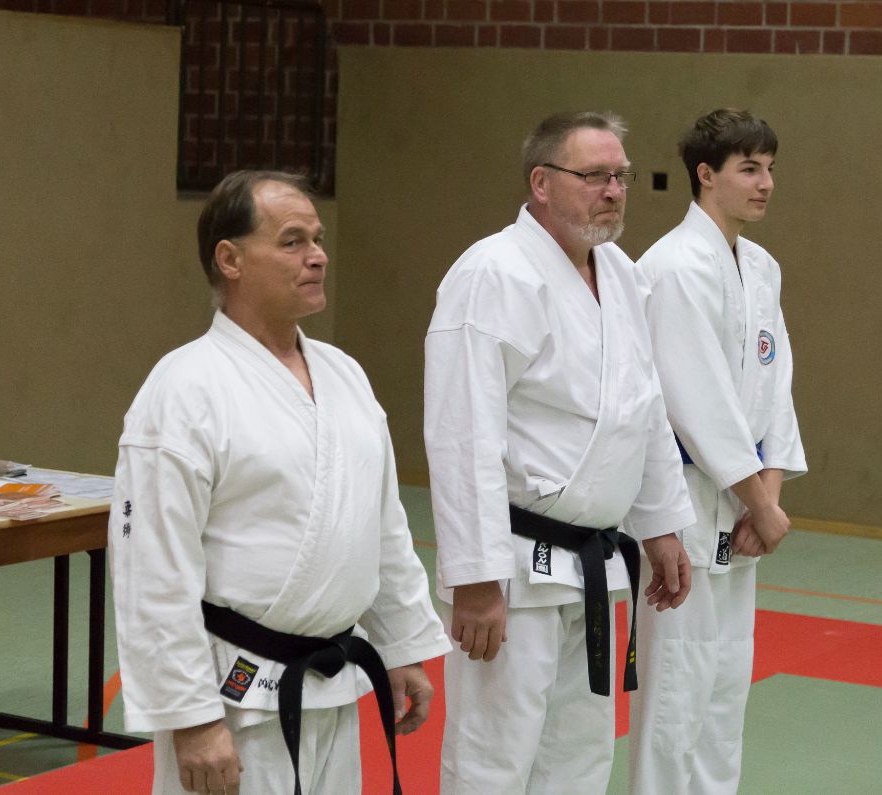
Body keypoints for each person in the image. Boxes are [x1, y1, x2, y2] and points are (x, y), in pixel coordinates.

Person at [108, 170, 451, 795]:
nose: (317, 256)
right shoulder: (184, 388)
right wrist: (191, 718)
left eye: (317, 239)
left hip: (333, 682)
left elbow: (380, 527)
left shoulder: (344, 374)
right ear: (230, 259)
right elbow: (153, 568)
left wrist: (402, 644)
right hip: (233, 697)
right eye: (293, 241)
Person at [424, 111, 697, 794]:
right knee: (494, 756)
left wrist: (661, 522)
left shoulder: (623, 275)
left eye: (621, 176)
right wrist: (474, 575)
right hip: (514, 568)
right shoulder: (492, 273)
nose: (614, 191)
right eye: (595, 176)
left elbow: (644, 407)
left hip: (594, 563)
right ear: (541, 183)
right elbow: (462, 432)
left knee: (578, 755)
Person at [628, 109, 808, 794]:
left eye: (770, 169)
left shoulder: (760, 267)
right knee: (676, 692)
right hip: (683, 507)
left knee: (726, 690)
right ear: (705, 174)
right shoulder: (672, 267)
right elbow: (695, 399)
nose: (766, 183)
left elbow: (774, 387)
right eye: (749, 169)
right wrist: (759, 503)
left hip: (741, 509)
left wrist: (768, 496)